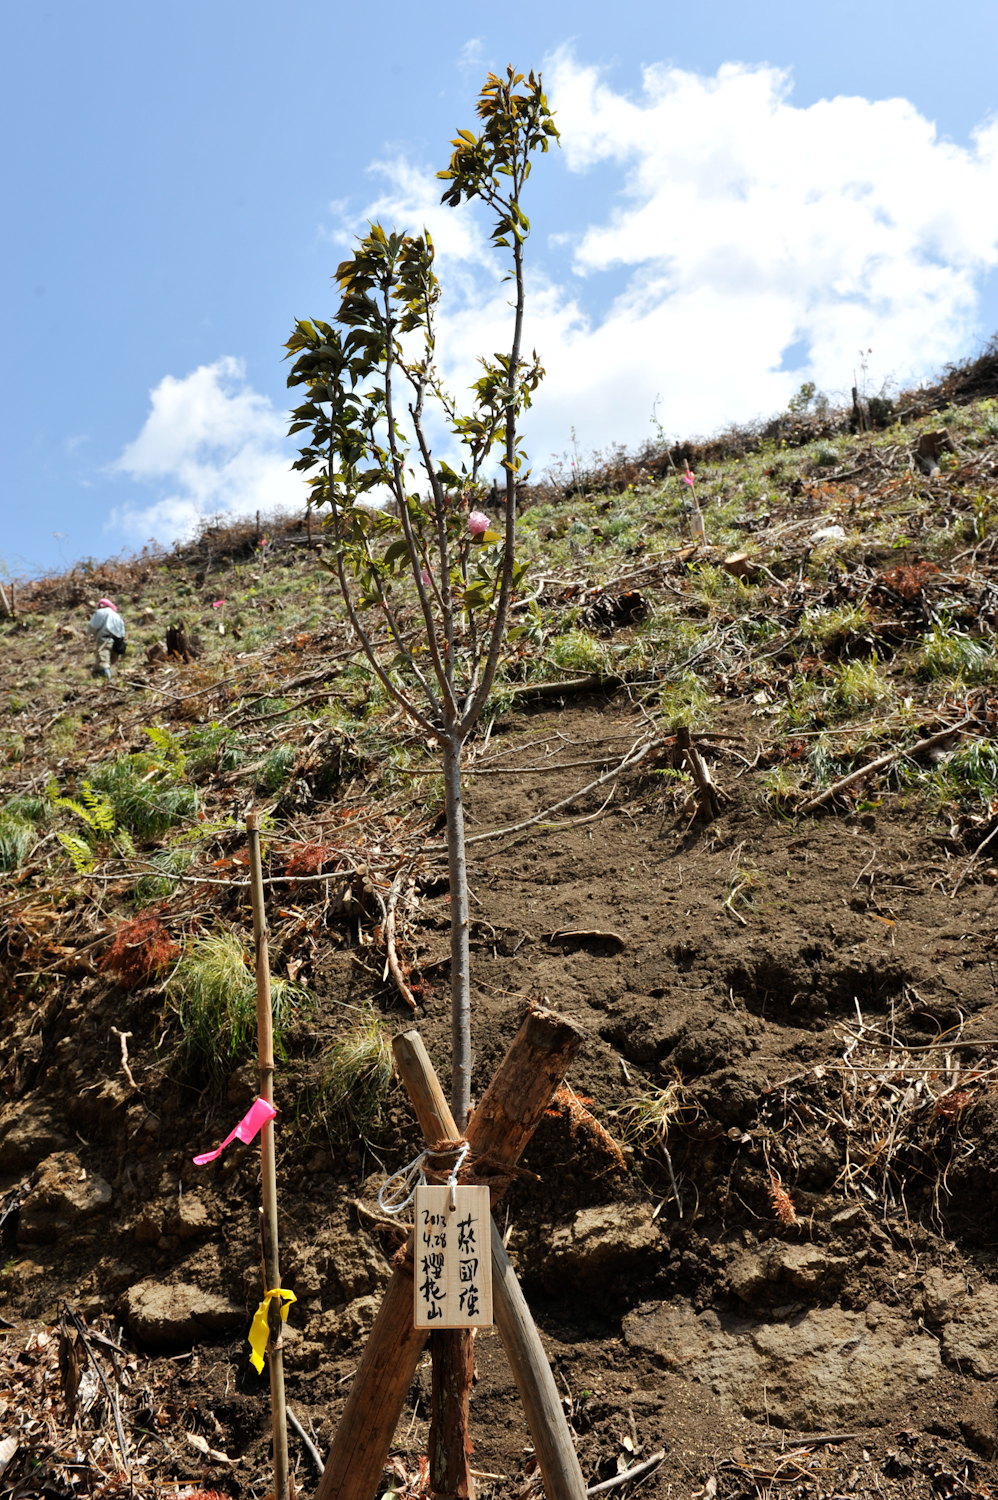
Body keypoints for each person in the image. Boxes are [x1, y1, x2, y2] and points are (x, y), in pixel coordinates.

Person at [85, 597, 126, 680]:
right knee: (109, 662)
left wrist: (88, 633)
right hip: (117, 642)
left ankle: (106, 680)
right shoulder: (116, 615)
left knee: (103, 662)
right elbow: (122, 631)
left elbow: (93, 625)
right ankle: (96, 676)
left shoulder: (100, 612)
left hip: (104, 640)